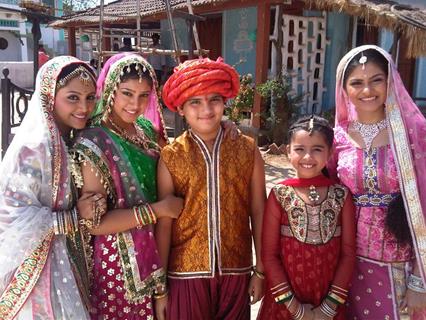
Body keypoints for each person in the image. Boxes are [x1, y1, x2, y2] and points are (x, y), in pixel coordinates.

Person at [73, 53, 182, 319]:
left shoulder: (145, 128)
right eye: (127, 93)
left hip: (157, 248)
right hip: (119, 265)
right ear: (110, 90)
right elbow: (95, 223)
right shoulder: (93, 141)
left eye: (144, 95)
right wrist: (159, 210)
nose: (135, 104)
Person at [156, 57, 266, 320]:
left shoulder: (247, 149)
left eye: (214, 99)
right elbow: (164, 224)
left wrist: (260, 270)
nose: (206, 108)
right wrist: (160, 287)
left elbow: (259, 211)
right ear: (180, 108)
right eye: (195, 101)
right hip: (184, 273)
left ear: (224, 103)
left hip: (236, 270)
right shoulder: (172, 155)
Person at [330, 44, 426, 319]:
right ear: (344, 89)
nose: (367, 91)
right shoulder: (337, 138)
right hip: (346, 262)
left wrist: (420, 280)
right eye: (357, 83)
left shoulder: (413, 134)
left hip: (400, 262)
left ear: (390, 82)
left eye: (376, 80)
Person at [0, 56, 99, 319]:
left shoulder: (69, 140)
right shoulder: (35, 148)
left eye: (90, 98)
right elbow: (11, 216)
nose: (84, 107)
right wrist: (74, 217)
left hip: (64, 259)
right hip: (37, 269)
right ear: (49, 97)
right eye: (73, 98)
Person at [257, 115, 356, 320]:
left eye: (317, 149)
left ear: (329, 153)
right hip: (285, 304)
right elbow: (269, 255)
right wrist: (296, 309)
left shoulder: (341, 195)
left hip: (329, 302)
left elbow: (348, 254)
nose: (308, 157)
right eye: (300, 149)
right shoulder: (280, 194)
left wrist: (328, 308)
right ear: (288, 151)